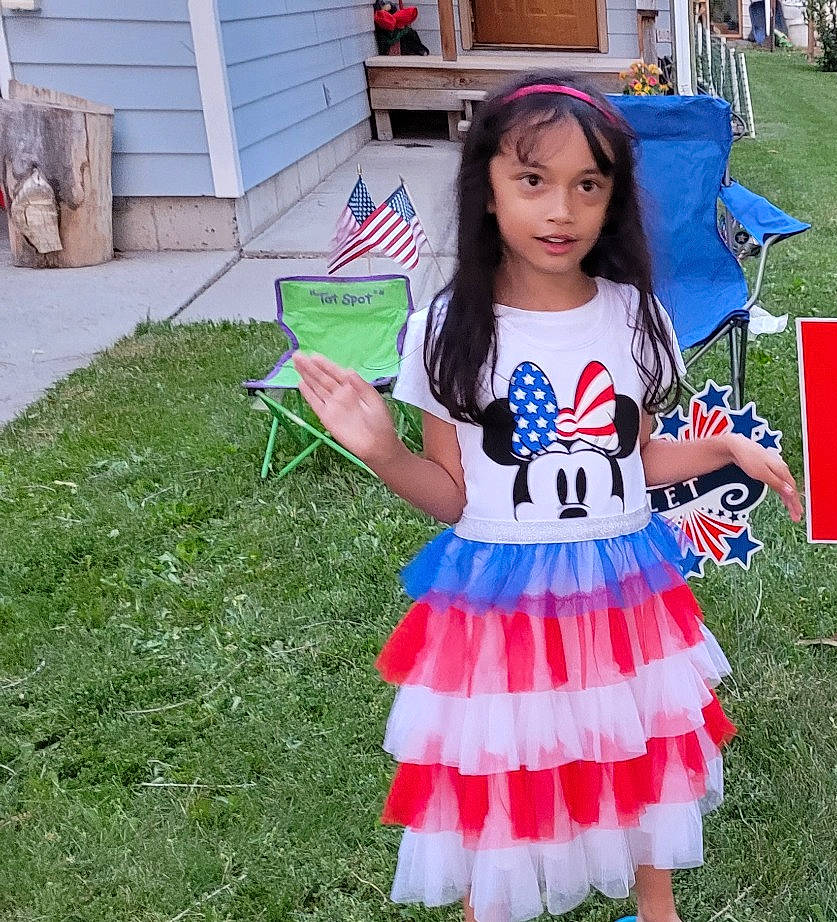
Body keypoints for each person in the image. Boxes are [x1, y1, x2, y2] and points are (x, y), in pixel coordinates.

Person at [294, 71, 801, 922]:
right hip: (502, 599)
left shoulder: (638, 319)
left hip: (622, 589)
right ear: (487, 190)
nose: (560, 209)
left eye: (587, 185)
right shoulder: (447, 329)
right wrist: (382, 451)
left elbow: (629, 464)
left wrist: (720, 447)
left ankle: (656, 905)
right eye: (533, 180)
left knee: (635, 746)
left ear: (612, 202)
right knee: (505, 768)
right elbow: (454, 497)